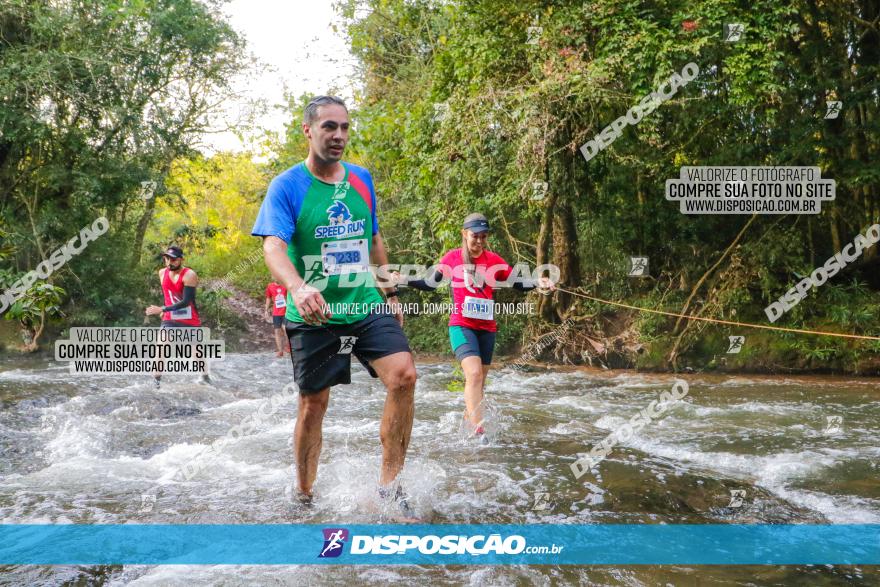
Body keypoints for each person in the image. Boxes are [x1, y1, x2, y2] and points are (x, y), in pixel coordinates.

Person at [251, 95, 417, 513]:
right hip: (314, 312)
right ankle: (304, 492)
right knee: (313, 404)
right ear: (308, 131)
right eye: (329, 127)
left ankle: (389, 488)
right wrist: (297, 287)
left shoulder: (362, 180)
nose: (338, 135)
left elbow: (373, 238)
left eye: (344, 127)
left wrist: (389, 291)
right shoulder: (287, 186)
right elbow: (273, 247)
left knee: (404, 376)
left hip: (363, 303)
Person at [400, 213, 555, 437]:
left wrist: (538, 281)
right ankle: (478, 432)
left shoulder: (493, 260)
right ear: (464, 234)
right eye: (475, 236)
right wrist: (403, 278)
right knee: (473, 375)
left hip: (487, 329)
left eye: (484, 237)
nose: (479, 241)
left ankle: (465, 428)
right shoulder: (452, 258)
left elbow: (517, 282)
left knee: (479, 383)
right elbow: (430, 283)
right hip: (461, 326)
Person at [144, 246, 203, 387]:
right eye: (167, 258)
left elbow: (186, 302)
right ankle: (156, 381)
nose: (169, 262)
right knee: (161, 346)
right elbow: (168, 294)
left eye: (173, 259)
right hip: (170, 318)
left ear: (181, 259)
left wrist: (162, 308)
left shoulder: (189, 275)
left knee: (196, 353)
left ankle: (204, 375)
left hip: (189, 318)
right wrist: (165, 310)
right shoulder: (161, 273)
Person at [264, 280, 290, 357]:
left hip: (286, 311)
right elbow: (268, 298)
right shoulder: (270, 286)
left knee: (286, 329)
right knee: (277, 331)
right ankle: (280, 351)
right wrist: (266, 310)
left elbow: (290, 296)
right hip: (276, 312)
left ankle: (288, 346)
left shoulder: (285, 284)